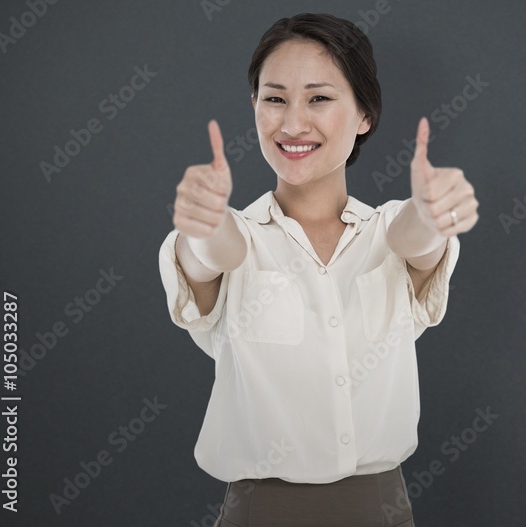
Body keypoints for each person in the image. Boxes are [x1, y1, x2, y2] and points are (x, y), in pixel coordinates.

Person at [156, 12, 478, 526]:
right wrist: (204, 219)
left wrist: (433, 209)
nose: (292, 123)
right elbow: (213, 252)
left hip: (381, 510)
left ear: (364, 114)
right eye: (275, 98)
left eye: (319, 98)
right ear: (255, 107)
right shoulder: (240, 236)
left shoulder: (388, 233)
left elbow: (414, 236)